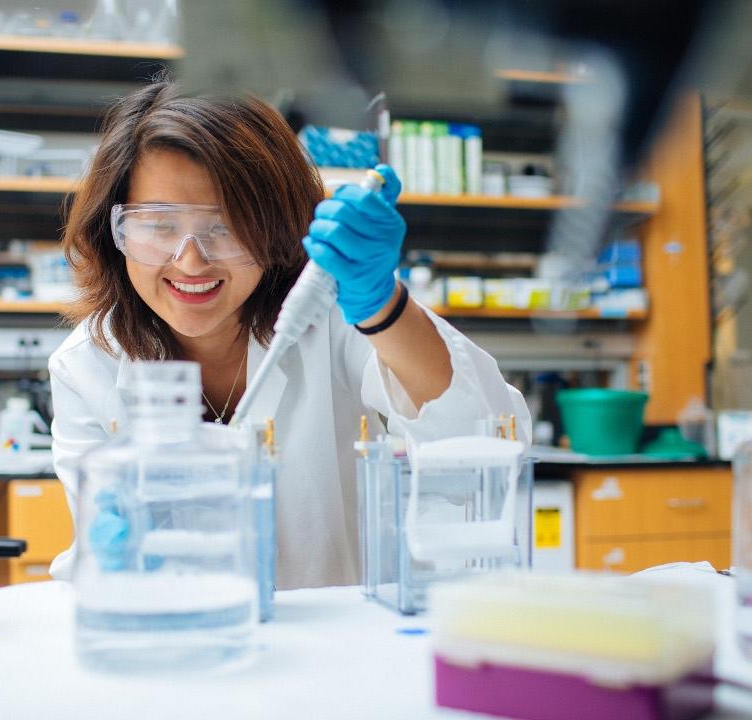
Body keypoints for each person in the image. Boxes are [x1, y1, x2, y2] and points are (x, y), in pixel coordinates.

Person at [48, 79, 531, 589]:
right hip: (185, 636)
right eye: (158, 224)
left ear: (275, 227)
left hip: (339, 649)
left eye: (225, 225)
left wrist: (382, 306)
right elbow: (101, 553)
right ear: (114, 231)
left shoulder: (335, 323)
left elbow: (492, 440)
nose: (190, 260)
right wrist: (108, 555)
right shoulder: (87, 364)